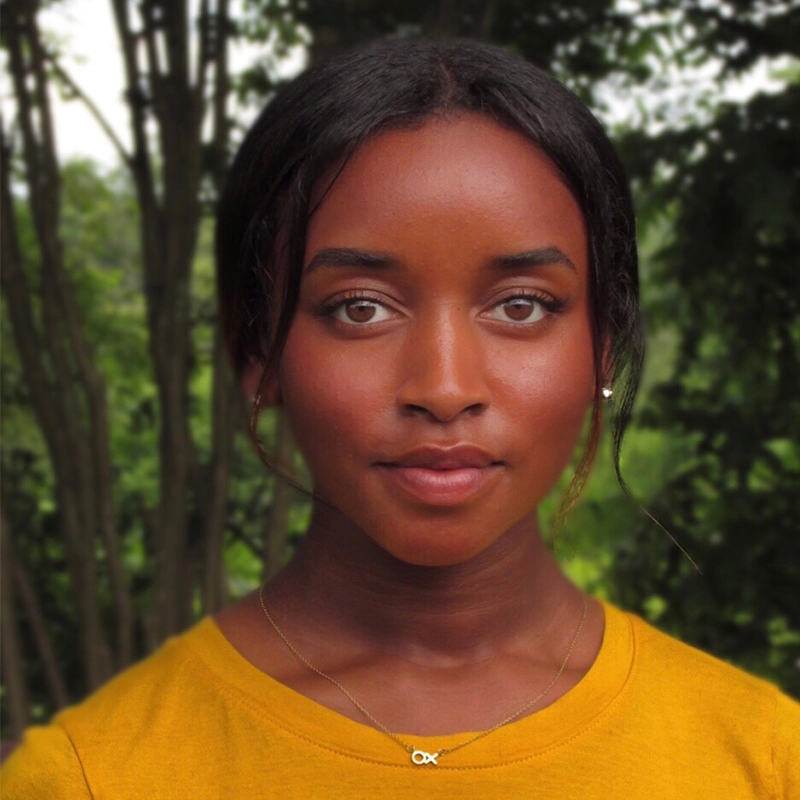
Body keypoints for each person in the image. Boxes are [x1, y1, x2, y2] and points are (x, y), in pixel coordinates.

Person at [2, 38, 798, 799]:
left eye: (521, 306)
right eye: (360, 308)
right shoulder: (92, 779)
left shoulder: (764, 763)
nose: (445, 387)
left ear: (604, 348)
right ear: (259, 353)